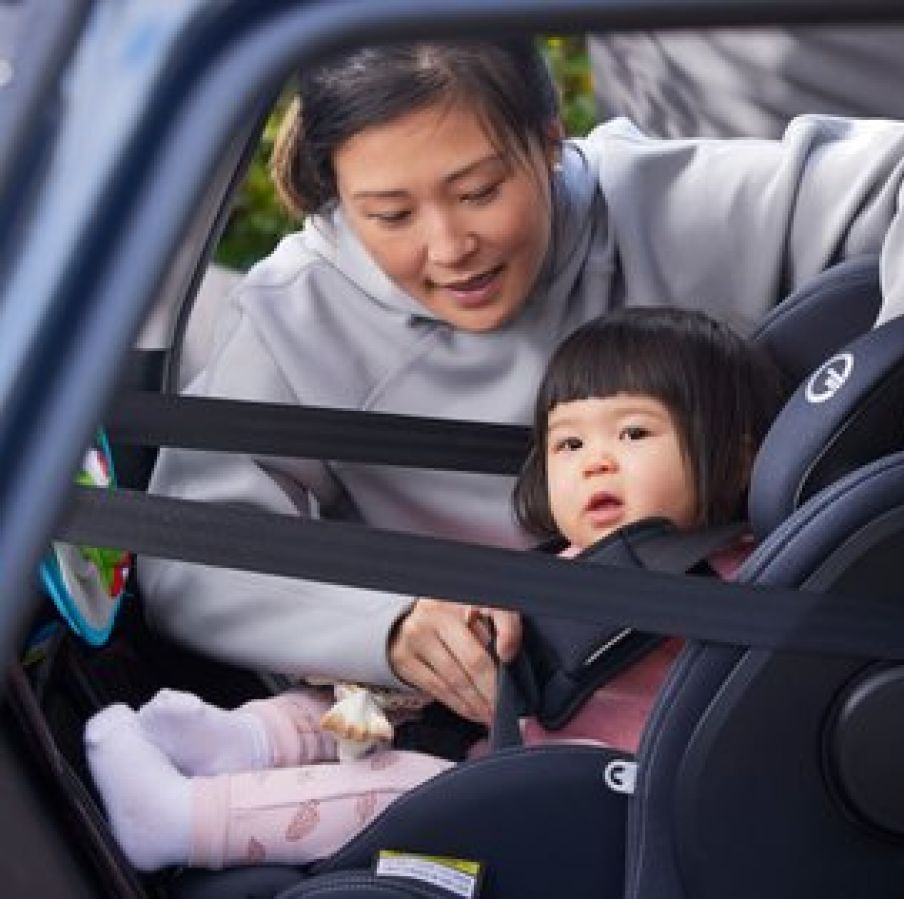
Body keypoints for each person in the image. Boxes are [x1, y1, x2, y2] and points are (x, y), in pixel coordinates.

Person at [137, 37, 904, 726]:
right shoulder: (296, 314)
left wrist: (883, 433)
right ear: (337, 193)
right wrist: (388, 623)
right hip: (497, 719)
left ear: (547, 139)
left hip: (744, 672)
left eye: (480, 190)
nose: (449, 247)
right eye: (390, 214)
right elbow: (188, 560)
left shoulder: (653, 204)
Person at [86, 307, 788, 870]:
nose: (595, 460)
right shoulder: (582, 555)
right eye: (568, 444)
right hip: (501, 736)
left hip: (586, 798)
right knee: (362, 692)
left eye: (633, 432)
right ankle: (246, 742)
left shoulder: (724, 575)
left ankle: (185, 820)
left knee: (408, 785)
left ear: (735, 455)